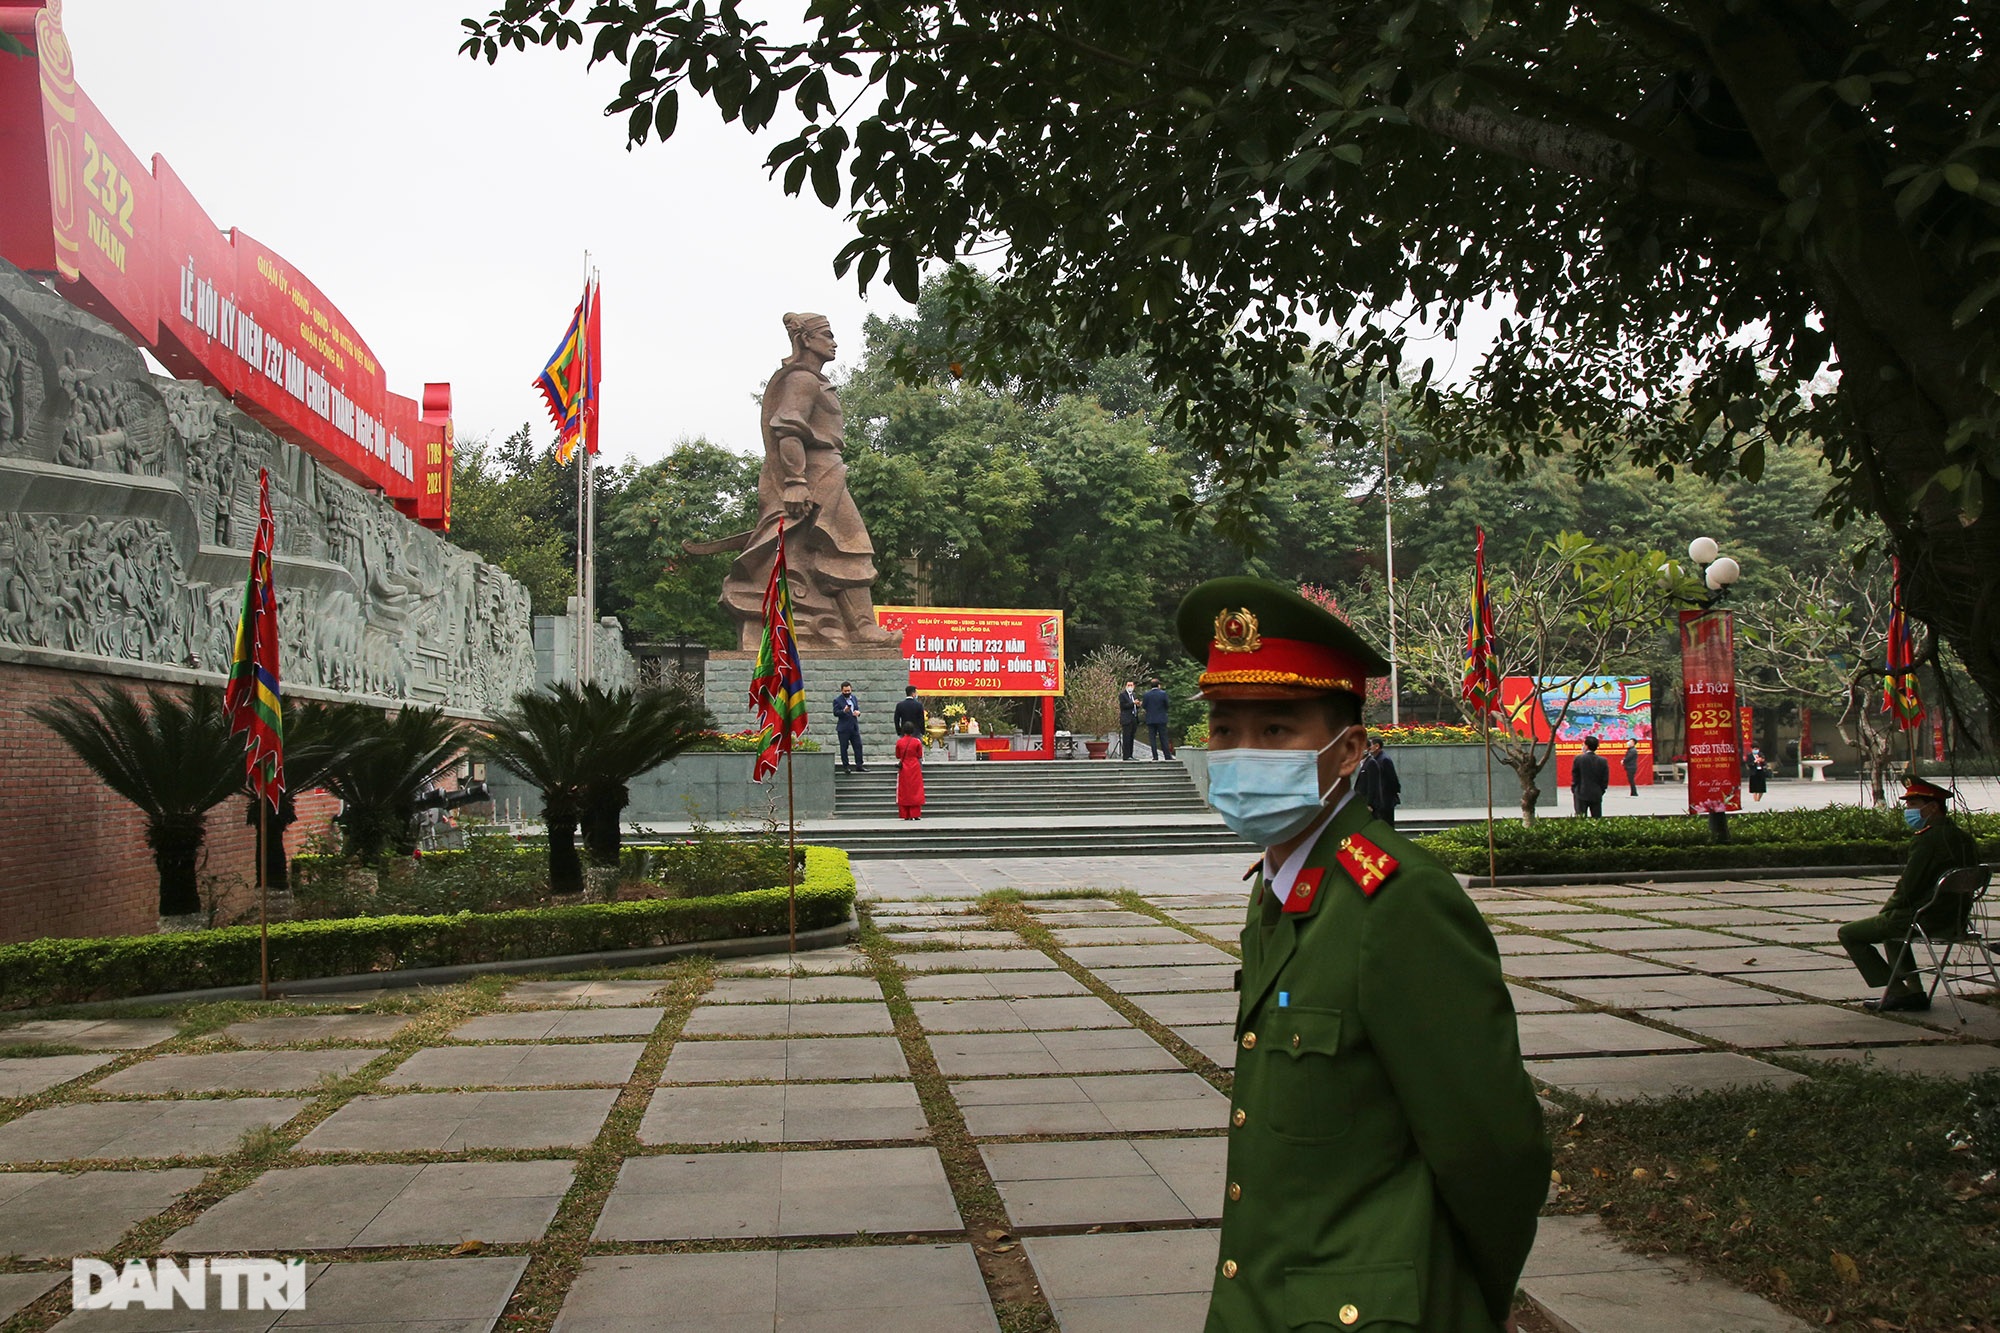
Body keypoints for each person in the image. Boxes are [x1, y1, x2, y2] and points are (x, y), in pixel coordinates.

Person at [1179, 578, 1547, 1333]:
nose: (1240, 754)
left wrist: (1463, 1298)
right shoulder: (1279, 884)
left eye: (1276, 731)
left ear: (1346, 750)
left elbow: (1494, 1149)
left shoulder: (1398, 899)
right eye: (1222, 730)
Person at [1839, 776, 1980, 1012]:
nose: (1908, 811)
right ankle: (1914, 990)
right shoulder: (1961, 837)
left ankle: (1898, 991)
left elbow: (1908, 887)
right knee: (1891, 931)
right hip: (1955, 917)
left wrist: (1888, 909)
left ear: (1933, 807)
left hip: (1925, 918)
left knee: (1849, 934)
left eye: (1913, 805)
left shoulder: (1928, 840)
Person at [1362, 736, 1402, 826]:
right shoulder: (1374, 760)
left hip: (1386, 799)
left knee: (1387, 823)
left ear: (1377, 746)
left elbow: (1392, 778)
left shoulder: (1384, 760)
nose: (1368, 748)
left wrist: (1393, 793)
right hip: (1380, 799)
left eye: (1370, 745)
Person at [1571, 736, 1610, 818]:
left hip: (1581, 793)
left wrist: (1575, 789)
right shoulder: (1603, 761)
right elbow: (1604, 779)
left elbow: (1575, 776)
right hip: (1596, 793)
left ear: (1587, 746)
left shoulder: (1578, 759)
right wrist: (1601, 791)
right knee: (1596, 819)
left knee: (1580, 819)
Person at [894, 720, 926, 819]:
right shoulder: (917, 742)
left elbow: (898, 755)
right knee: (915, 790)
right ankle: (915, 814)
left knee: (904, 790)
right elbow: (920, 755)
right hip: (915, 767)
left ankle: (905, 814)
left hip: (904, 767)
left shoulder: (899, 742)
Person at [833, 681, 865, 772]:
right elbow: (835, 713)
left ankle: (859, 765)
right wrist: (844, 711)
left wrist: (858, 713)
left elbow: (856, 709)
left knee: (858, 746)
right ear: (842, 691)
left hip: (854, 727)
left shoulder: (854, 698)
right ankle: (846, 766)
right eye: (845, 691)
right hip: (843, 728)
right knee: (844, 747)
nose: (847, 692)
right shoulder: (837, 700)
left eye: (848, 691)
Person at [1142, 677, 1172, 759]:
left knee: (1152, 738)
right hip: (1161, 718)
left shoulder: (1146, 695)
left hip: (1150, 719)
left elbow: (1144, 706)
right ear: (1159, 685)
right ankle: (1167, 756)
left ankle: (1155, 756)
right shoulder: (1163, 694)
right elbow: (1167, 705)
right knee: (1163, 737)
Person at [1119, 679, 1140, 761]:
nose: (1130, 687)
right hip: (1126, 719)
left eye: (1132, 685)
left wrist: (1138, 705)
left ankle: (1130, 754)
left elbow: (1135, 705)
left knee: (1131, 737)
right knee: (1126, 737)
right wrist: (1133, 703)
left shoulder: (1134, 695)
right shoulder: (1123, 695)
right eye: (1129, 685)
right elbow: (1123, 706)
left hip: (1134, 718)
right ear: (1126, 686)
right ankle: (1126, 755)